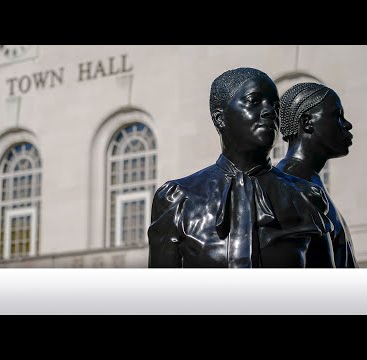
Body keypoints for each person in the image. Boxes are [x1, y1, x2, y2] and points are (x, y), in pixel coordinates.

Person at [148, 67, 334, 268]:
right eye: (254, 101)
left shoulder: (306, 198)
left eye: (275, 106)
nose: (270, 112)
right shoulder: (179, 200)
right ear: (220, 118)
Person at [276, 82, 357, 268]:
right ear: (307, 122)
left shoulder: (306, 181)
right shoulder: (288, 186)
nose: (347, 125)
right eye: (338, 116)